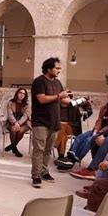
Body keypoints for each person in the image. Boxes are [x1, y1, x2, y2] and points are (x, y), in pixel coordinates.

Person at [30, 57, 72, 188]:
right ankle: (36, 175)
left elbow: (63, 101)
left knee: (48, 150)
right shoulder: (39, 82)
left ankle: (44, 171)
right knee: (39, 149)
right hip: (40, 121)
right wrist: (59, 96)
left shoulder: (57, 83)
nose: (59, 70)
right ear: (48, 68)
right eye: (57, 68)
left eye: (60, 68)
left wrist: (77, 102)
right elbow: (42, 99)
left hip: (54, 121)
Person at [55, 86, 108, 171]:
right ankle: (69, 156)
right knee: (80, 137)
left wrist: (83, 100)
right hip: (97, 130)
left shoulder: (73, 105)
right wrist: (95, 130)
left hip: (105, 132)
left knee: (89, 140)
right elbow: (99, 121)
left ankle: (72, 161)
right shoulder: (104, 108)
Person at [53, 93, 93, 161]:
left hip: (71, 127)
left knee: (62, 126)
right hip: (59, 129)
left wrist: (86, 99)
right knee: (63, 135)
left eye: (67, 96)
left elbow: (86, 106)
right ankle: (61, 156)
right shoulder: (56, 106)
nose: (65, 98)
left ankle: (56, 143)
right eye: (64, 96)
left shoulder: (73, 106)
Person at [4, 88, 31, 157]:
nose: (22, 95)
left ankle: (12, 146)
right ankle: (14, 148)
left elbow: (26, 116)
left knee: (20, 131)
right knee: (13, 129)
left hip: (24, 123)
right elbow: (10, 115)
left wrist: (19, 123)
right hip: (12, 122)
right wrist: (15, 123)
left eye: (24, 94)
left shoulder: (27, 104)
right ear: (17, 93)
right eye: (20, 93)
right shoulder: (10, 103)